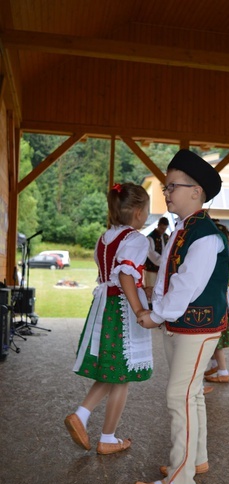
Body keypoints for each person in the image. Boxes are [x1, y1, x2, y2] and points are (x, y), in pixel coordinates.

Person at [134, 149, 229, 484]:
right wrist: (157, 309)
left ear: (197, 191)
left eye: (173, 186)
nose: (167, 192)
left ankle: (180, 482)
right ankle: (195, 460)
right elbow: (165, 282)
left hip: (197, 327)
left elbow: (186, 286)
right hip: (183, 325)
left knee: (180, 396)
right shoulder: (182, 228)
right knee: (189, 396)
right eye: (166, 186)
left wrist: (156, 315)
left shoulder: (203, 234)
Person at [64, 183, 153, 455]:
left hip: (104, 307)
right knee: (122, 375)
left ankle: (82, 415)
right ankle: (107, 437)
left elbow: (113, 274)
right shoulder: (137, 239)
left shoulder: (105, 238)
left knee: (113, 370)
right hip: (122, 310)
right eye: (148, 210)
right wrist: (139, 308)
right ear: (138, 212)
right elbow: (126, 275)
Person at [204, 220, 229, 384]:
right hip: (222, 297)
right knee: (215, 336)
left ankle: (223, 371)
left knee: (216, 337)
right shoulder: (222, 252)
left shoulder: (215, 254)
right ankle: (216, 366)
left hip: (218, 298)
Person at [144, 216, 169, 287]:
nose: (163, 231)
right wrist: (162, 260)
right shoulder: (150, 237)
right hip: (151, 269)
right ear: (158, 225)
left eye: (165, 229)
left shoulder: (166, 237)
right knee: (150, 288)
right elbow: (150, 253)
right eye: (161, 228)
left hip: (162, 269)